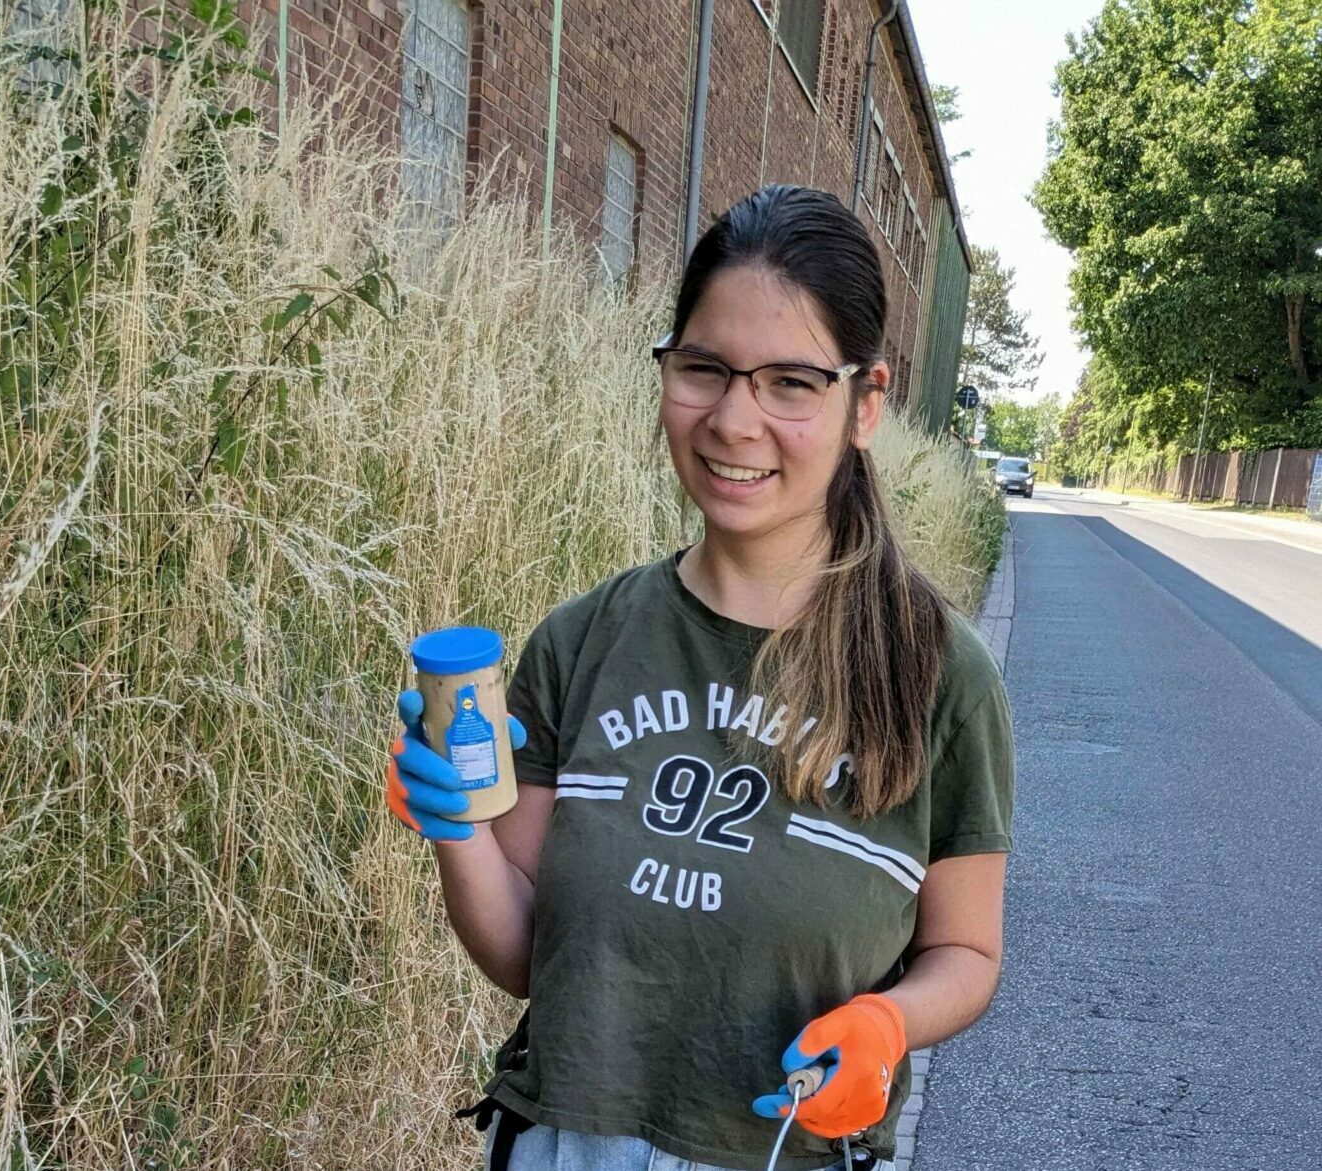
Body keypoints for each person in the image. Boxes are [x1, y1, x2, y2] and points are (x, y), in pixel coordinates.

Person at [386, 184, 1014, 1171]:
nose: (732, 419)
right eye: (704, 369)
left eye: (791, 383)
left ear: (867, 402)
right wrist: (455, 827)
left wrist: (889, 1024)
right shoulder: (582, 640)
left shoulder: (939, 677)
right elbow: (522, 957)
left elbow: (967, 955)